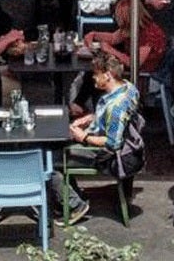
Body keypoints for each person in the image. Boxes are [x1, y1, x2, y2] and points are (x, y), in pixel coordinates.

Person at [51, 53, 145, 225]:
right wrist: (90, 118)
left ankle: (74, 205)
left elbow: (112, 143)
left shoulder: (115, 108)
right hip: (131, 146)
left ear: (107, 75)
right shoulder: (129, 88)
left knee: (52, 160)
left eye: (96, 74)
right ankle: (74, 194)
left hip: (113, 157)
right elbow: (116, 121)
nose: (93, 77)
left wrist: (84, 136)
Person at [84, 0, 166, 74]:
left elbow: (134, 63)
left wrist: (111, 50)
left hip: (142, 75)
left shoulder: (150, 34)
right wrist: (94, 35)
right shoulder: (132, 27)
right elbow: (113, 38)